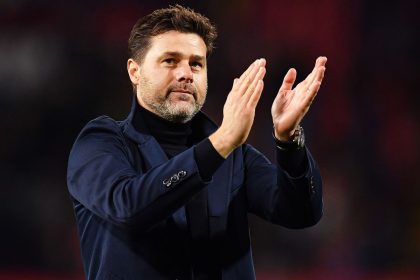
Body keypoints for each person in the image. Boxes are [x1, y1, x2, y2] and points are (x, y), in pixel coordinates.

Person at [67, 4, 326, 280]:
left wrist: (288, 142)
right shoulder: (100, 143)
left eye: (196, 64)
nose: (186, 74)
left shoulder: (234, 156)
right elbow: (129, 207)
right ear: (135, 71)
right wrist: (221, 143)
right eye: (170, 61)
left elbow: (301, 214)